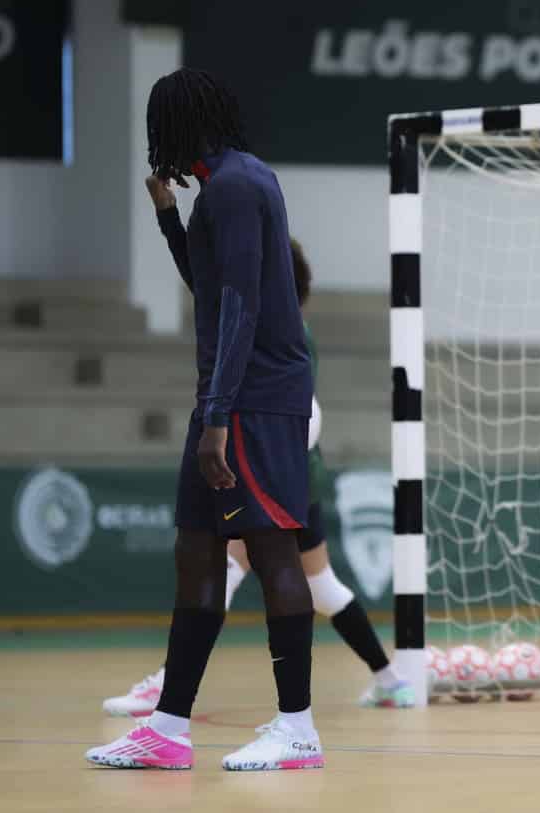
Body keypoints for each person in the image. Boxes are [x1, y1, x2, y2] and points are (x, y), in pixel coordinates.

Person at [87, 68, 323, 771]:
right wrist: (166, 214)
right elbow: (212, 288)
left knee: (275, 551)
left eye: (157, 127)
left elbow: (245, 307)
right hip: (223, 395)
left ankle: (298, 727)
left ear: (179, 125)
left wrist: (218, 416)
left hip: (254, 397)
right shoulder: (221, 189)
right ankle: (167, 727)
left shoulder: (241, 185)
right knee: (198, 550)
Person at [100, 236, 414, 722]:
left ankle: (167, 693)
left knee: (219, 570)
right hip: (294, 477)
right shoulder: (282, 327)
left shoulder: (281, 333)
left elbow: (304, 413)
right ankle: (390, 681)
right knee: (321, 585)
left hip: (276, 475)